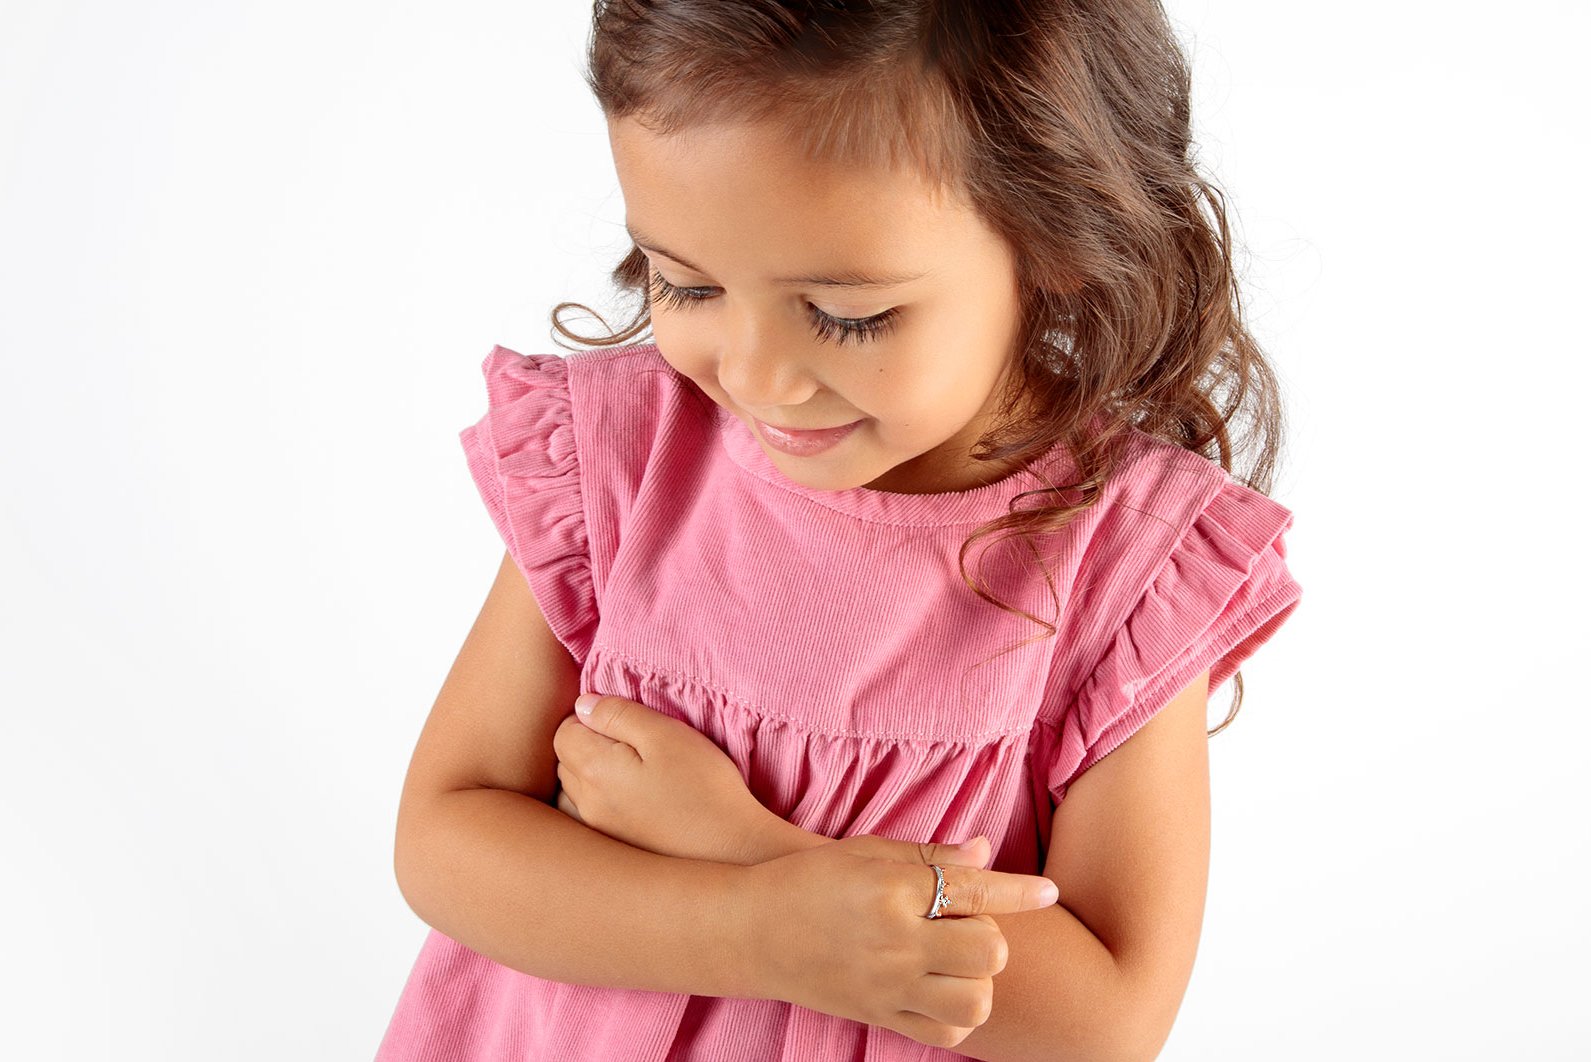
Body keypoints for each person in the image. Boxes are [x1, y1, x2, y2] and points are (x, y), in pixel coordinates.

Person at [379, 2, 1304, 1061]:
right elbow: (443, 843)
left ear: (1056, 238)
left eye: (847, 315)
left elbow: (1108, 1019)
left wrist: (744, 850)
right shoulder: (626, 466)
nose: (758, 378)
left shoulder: (1118, 561)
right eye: (688, 284)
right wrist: (758, 932)